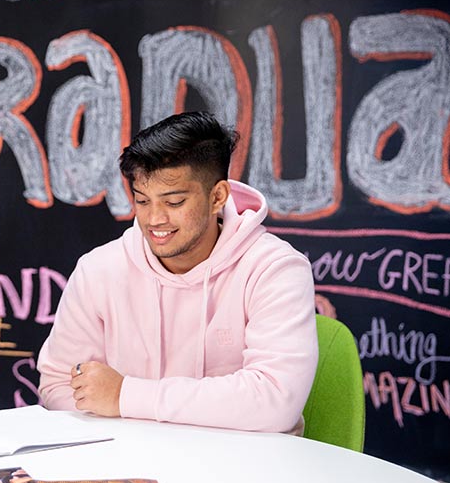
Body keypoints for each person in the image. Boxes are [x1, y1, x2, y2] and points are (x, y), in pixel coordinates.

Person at [37, 111, 317, 433]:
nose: (154, 219)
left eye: (174, 202)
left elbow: (274, 400)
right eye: (142, 201)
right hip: (131, 466)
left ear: (217, 197)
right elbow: (58, 383)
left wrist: (124, 396)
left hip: (243, 471)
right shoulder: (98, 270)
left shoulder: (275, 269)